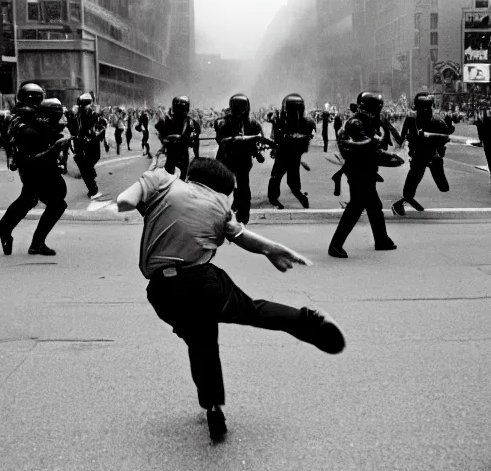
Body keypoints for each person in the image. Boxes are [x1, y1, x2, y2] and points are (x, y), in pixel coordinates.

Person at [116, 156, 345, 441]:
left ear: (191, 177)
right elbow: (243, 237)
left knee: (201, 343)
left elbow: (124, 202)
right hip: (203, 284)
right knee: (250, 310)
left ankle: (213, 408)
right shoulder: (221, 206)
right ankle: (306, 321)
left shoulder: (162, 182)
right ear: (220, 189)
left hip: (163, 293)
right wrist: (273, 249)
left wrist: (144, 184)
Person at [0, 84, 70, 256]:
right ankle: (36, 243)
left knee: (29, 198)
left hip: (31, 165)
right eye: (39, 96)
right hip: (35, 165)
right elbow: (30, 136)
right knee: (57, 203)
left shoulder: (22, 113)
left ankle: (5, 228)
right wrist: (53, 137)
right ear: (33, 97)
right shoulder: (25, 116)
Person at [328, 92, 397, 259]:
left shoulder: (366, 121)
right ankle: (335, 245)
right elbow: (364, 145)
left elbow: (372, 146)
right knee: (356, 207)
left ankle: (381, 239)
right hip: (358, 170)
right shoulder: (356, 122)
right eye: (378, 108)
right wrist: (382, 149)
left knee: (374, 206)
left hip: (365, 169)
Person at [391, 92, 453, 216]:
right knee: (409, 191)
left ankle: (402, 202)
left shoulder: (436, 120)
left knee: (444, 187)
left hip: (433, 157)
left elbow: (446, 135)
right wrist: (388, 126)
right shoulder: (412, 120)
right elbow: (400, 140)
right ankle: (401, 203)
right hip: (419, 157)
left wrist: (428, 136)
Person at [214, 94, 264, 224]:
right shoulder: (222, 123)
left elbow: (257, 142)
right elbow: (223, 141)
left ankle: (242, 217)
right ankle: (228, 215)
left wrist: (257, 151)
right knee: (227, 188)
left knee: (243, 188)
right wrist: (251, 140)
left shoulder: (253, 124)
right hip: (227, 159)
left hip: (242, 160)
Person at [267, 93, 315, 209]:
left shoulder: (306, 122)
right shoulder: (281, 120)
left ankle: (301, 200)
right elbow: (278, 138)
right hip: (288, 154)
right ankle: (299, 199)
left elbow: (307, 139)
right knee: (282, 179)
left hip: (290, 154)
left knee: (282, 179)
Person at [67, 92, 108, 199]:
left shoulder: (88, 113)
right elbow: (72, 127)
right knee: (85, 165)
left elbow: (100, 125)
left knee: (88, 163)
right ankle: (93, 190)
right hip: (83, 142)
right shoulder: (79, 113)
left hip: (86, 142)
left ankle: (91, 181)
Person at [155, 96, 201, 180]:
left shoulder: (190, 123)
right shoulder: (166, 121)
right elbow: (194, 142)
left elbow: (194, 140)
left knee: (178, 177)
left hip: (180, 154)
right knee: (171, 177)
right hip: (171, 153)